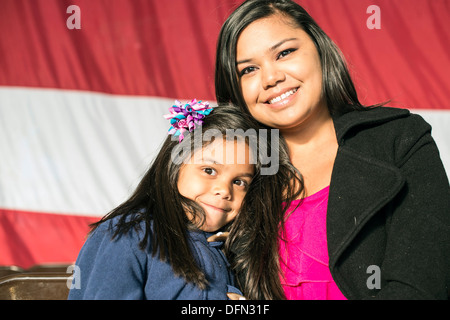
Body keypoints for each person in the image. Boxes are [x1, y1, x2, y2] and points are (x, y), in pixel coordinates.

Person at [215, 0, 450, 300]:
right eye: (248, 69)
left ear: (319, 49)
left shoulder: (400, 139)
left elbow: (420, 287)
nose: (271, 78)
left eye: (285, 53)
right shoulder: (234, 172)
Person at [68, 100, 301, 299]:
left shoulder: (228, 248)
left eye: (239, 182)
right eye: (209, 170)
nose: (224, 190)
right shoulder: (128, 235)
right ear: (174, 165)